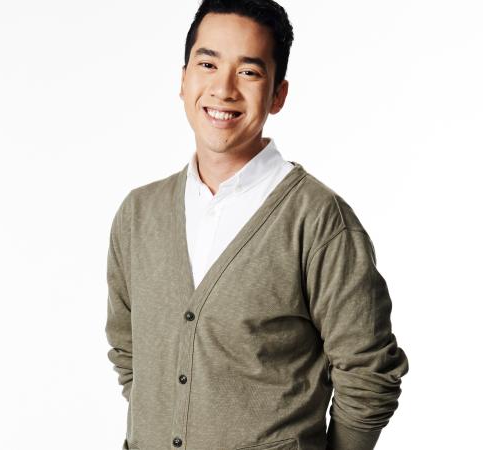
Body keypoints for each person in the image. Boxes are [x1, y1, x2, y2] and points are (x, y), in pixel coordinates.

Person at [104, 1, 409, 449]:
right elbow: (131, 353)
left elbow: (369, 373)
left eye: (248, 72)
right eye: (207, 64)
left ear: (278, 95)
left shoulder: (318, 220)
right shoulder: (139, 213)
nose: (223, 88)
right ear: (184, 80)